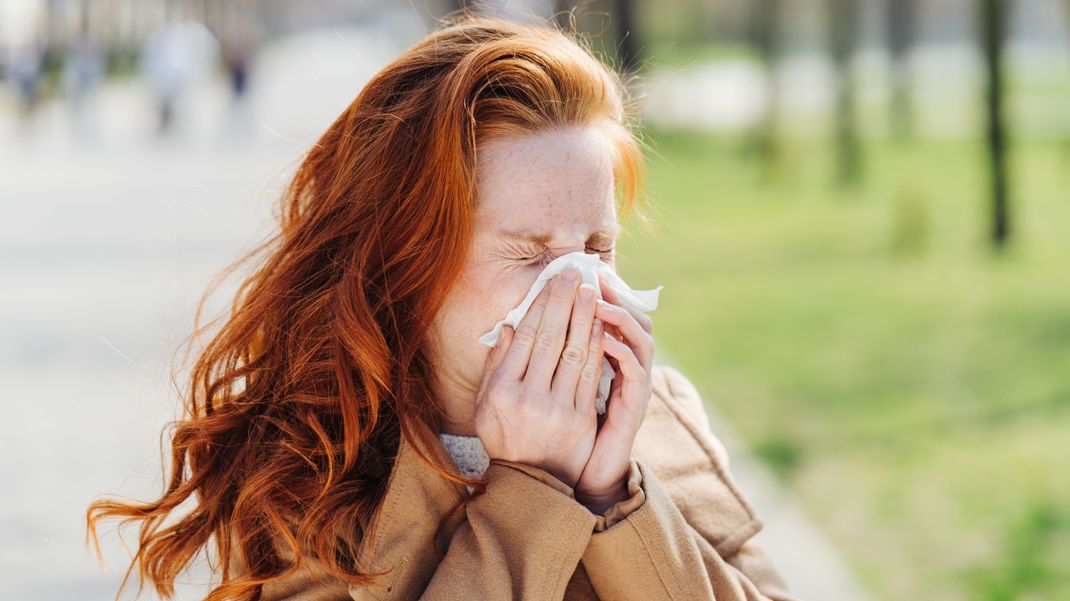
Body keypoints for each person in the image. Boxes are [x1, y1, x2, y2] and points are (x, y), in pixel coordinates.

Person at [86, 12, 799, 601]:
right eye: (529, 252)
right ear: (407, 264)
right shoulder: (314, 470)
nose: (580, 286)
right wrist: (536, 491)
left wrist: (614, 494)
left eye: (598, 246)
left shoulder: (659, 419)